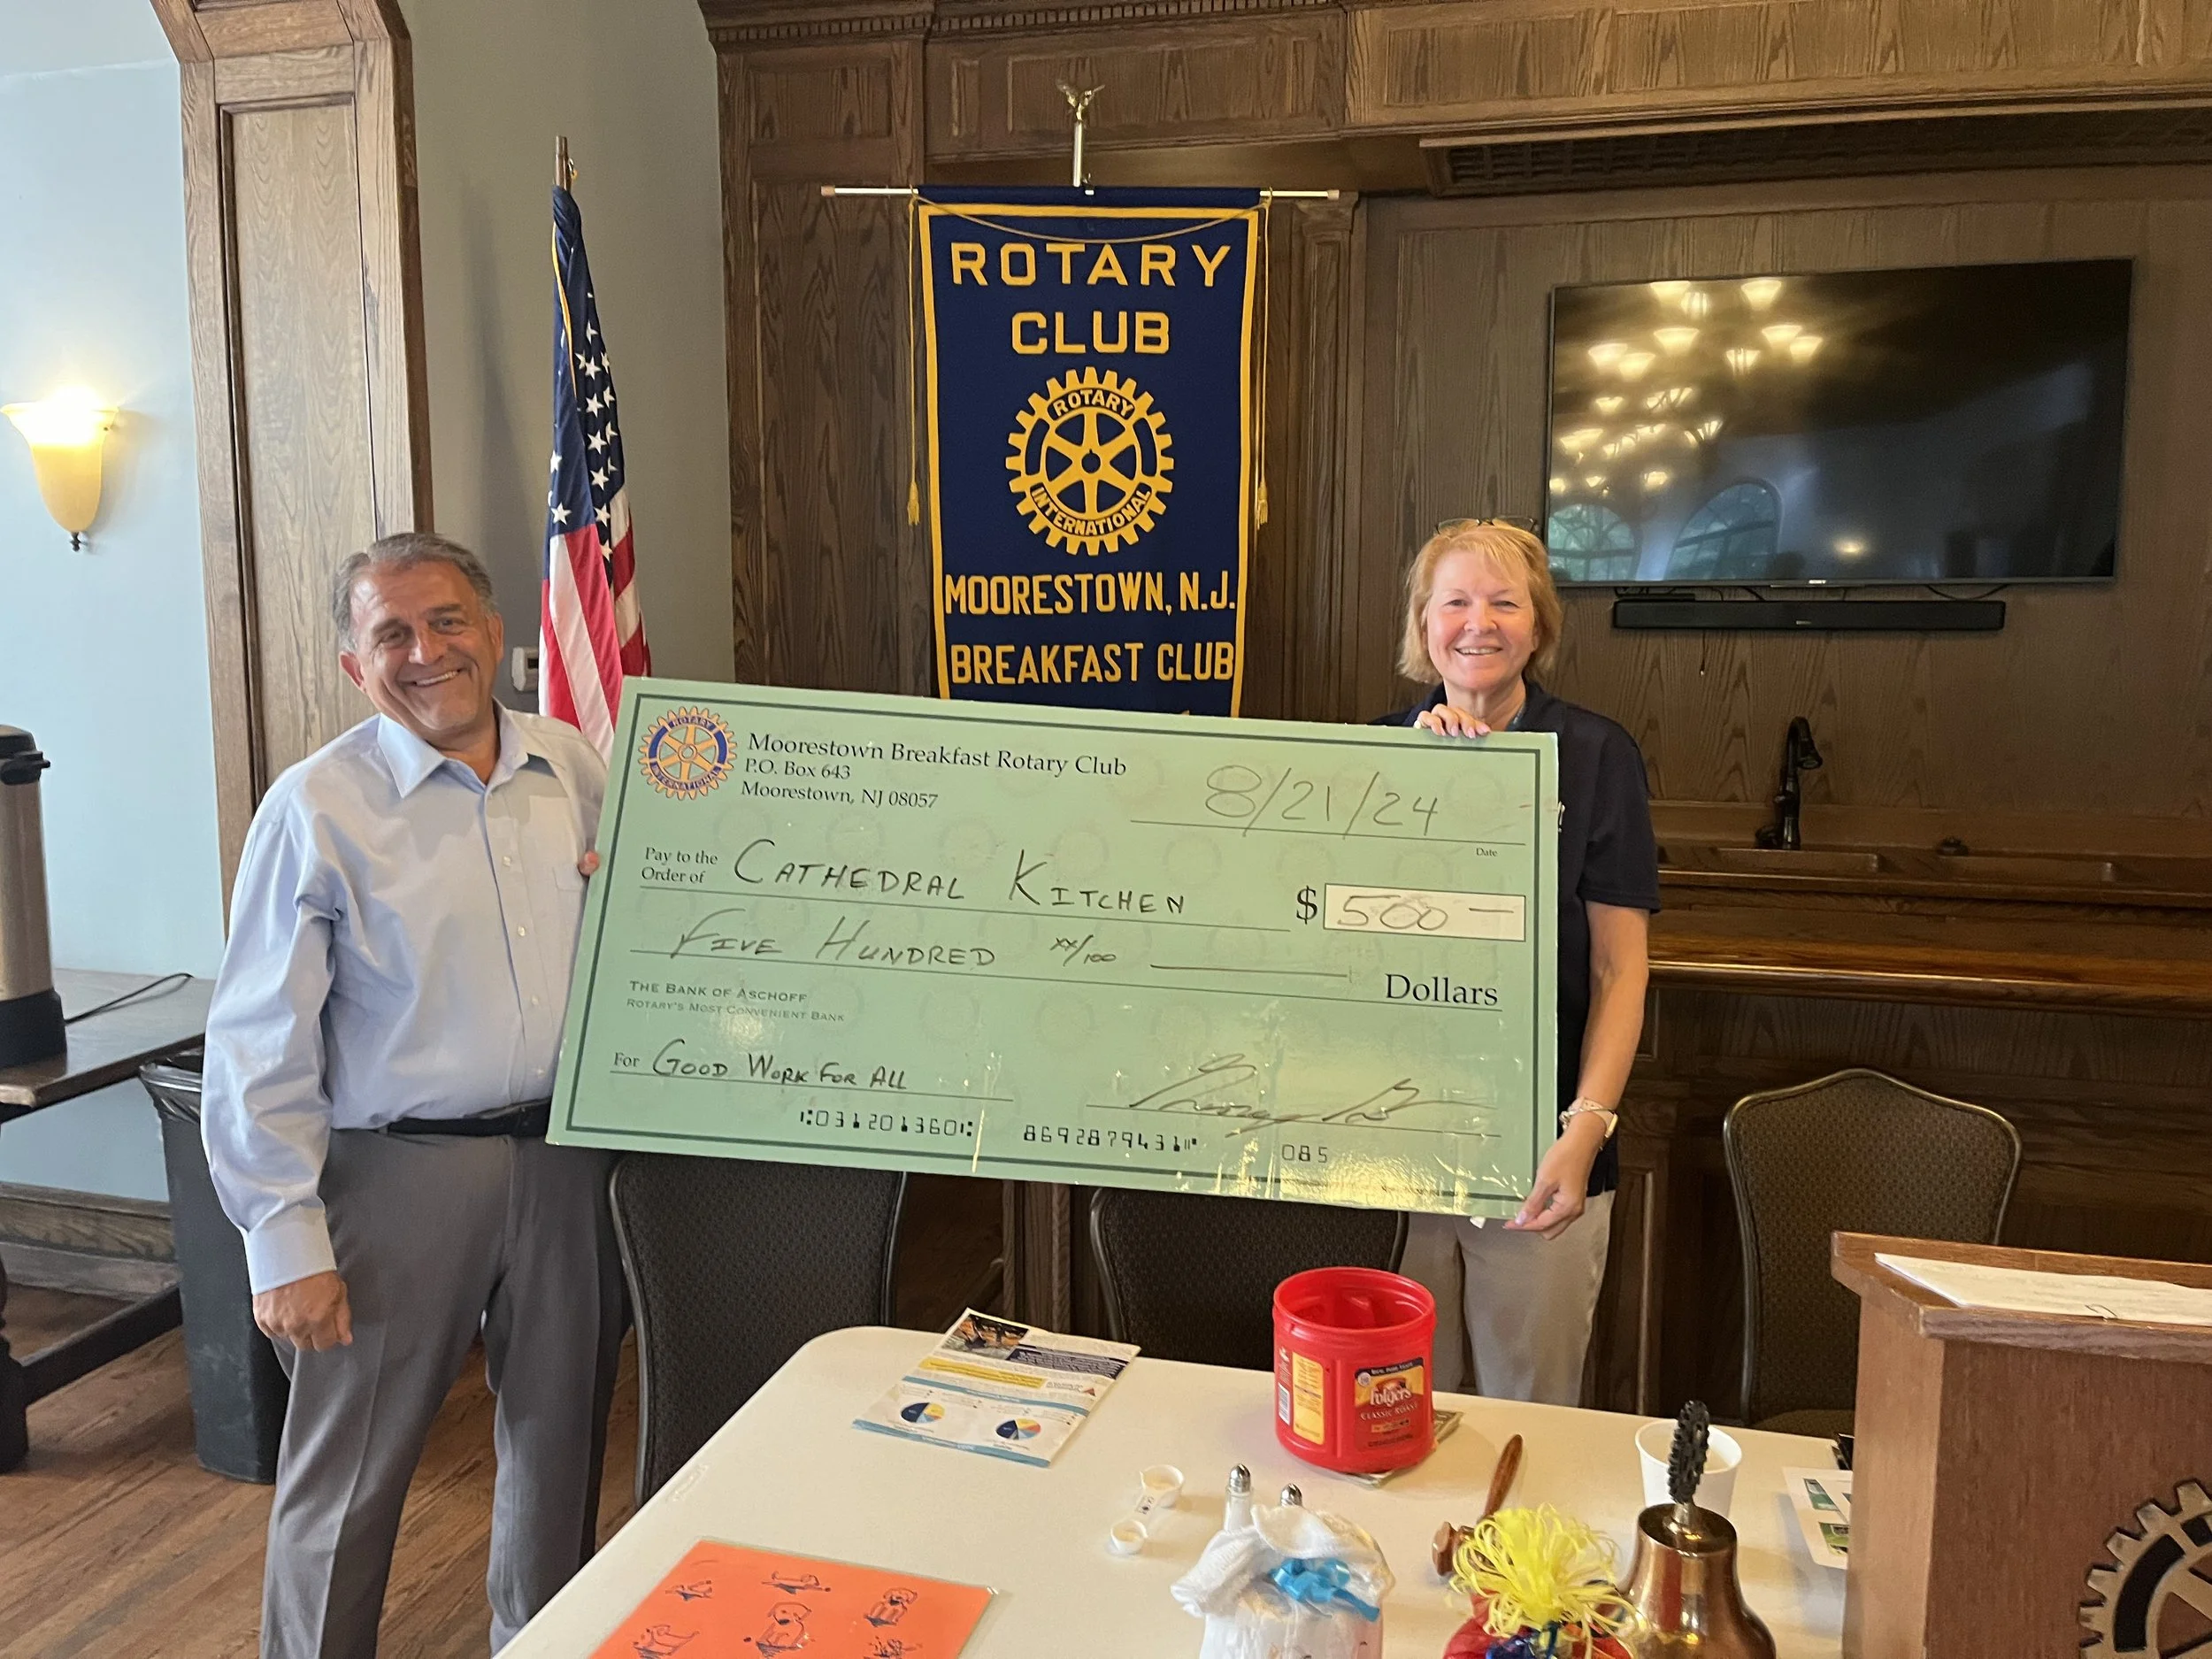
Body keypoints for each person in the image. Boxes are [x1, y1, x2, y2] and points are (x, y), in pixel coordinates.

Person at [202, 532, 626, 1657]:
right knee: (346, 1476)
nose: (426, 651)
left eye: (446, 622)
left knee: (561, 1443)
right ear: (357, 665)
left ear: (494, 632)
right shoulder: (318, 807)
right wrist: (282, 1236)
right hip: (397, 1177)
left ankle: (536, 1641)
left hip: (568, 1162)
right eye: (391, 633)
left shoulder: (574, 769)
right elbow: (257, 1036)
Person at [1378, 519, 1659, 1406]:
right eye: (1455, 601)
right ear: (1424, 623)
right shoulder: (1375, 751)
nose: (1479, 623)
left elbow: (1620, 971)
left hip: (1543, 1156)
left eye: (1505, 602)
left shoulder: (1598, 754)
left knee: (1528, 1414)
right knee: (1390, 1405)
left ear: (1538, 626)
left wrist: (1583, 1134)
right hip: (1393, 1149)